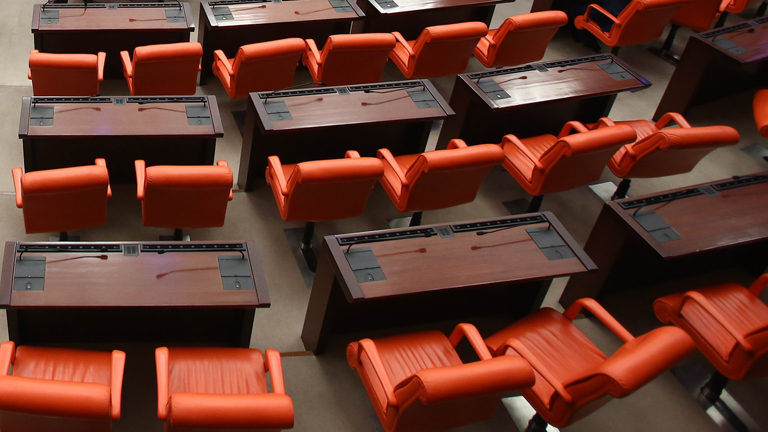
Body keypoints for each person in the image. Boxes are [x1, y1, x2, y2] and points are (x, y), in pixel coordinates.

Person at [554, 0, 632, 51]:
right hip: (625, 19)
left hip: (610, 19)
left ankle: (586, 39)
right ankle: (580, 37)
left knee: (574, 6)